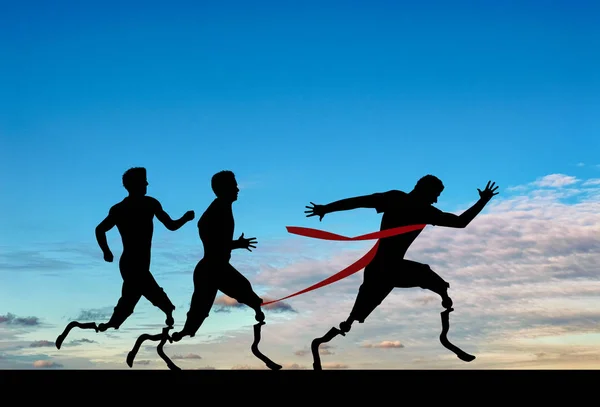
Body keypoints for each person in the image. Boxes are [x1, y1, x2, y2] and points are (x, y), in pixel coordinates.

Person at [305, 175, 499, 367]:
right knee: (357, 314)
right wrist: (483, 201)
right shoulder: (404, 202)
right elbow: (360, 201)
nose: (436, 199)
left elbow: (459, 222)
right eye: (435, 194)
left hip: (390, 267)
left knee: (429, 280)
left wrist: (326, 208)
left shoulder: (417, 207)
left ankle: (444, 299)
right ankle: (329, 336)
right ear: (424, 189)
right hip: (382, 268)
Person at [56, 167, 195, 349]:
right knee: (153, 299)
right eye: (143, 181)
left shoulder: (137, 206)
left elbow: (170, 225)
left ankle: (101, 326)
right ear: (134, 184)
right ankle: (165, 317)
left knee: (129, 303)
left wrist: (184, 218)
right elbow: (100, 229)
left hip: (133, 264)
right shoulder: (132, 207)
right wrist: (106, 251)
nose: (146, 184)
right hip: (132, 265)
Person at [170, 170, 266, 343]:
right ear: (224, 189)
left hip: (217, 266)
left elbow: (217, 240)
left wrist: (235, 243)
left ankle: (256, 308)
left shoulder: (223, 207)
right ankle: (186, 330)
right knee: (202, 305)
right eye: (234, 186)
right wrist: (236, 244)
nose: (238, 189)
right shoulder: (217, 209)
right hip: (211, 268)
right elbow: (210, 237)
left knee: (241, 288)